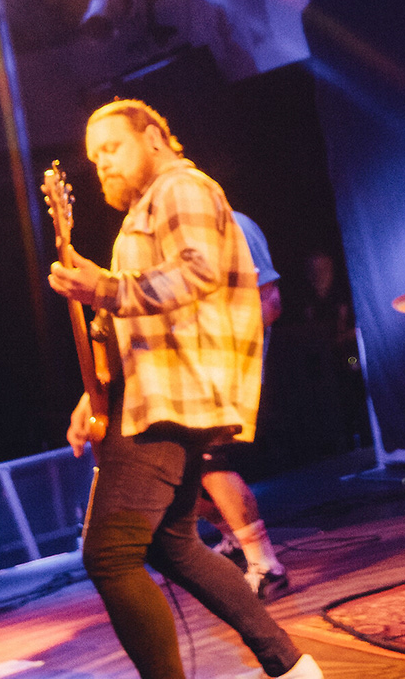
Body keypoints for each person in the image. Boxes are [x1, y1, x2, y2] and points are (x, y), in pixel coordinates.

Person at [49, 100, 320, 679]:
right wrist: (93, 393)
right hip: (156, 396)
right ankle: (291, 665)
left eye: (112, 148)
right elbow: (126, 326)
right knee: (173, 545)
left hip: (171, 402)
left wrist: (106, 288)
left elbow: (196, 271)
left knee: (110, 554)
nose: (103, 165)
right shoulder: (143, 213)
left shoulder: (181, 188)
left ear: (152, 137)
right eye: (94, 158)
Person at [197, 211, 289, 599]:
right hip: (192, 373)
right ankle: (236, 541)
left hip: (229, 371)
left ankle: (267, 566)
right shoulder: (171, 232)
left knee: (210, 461)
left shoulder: (232, 225)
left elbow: (269, 302)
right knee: (177, 471)